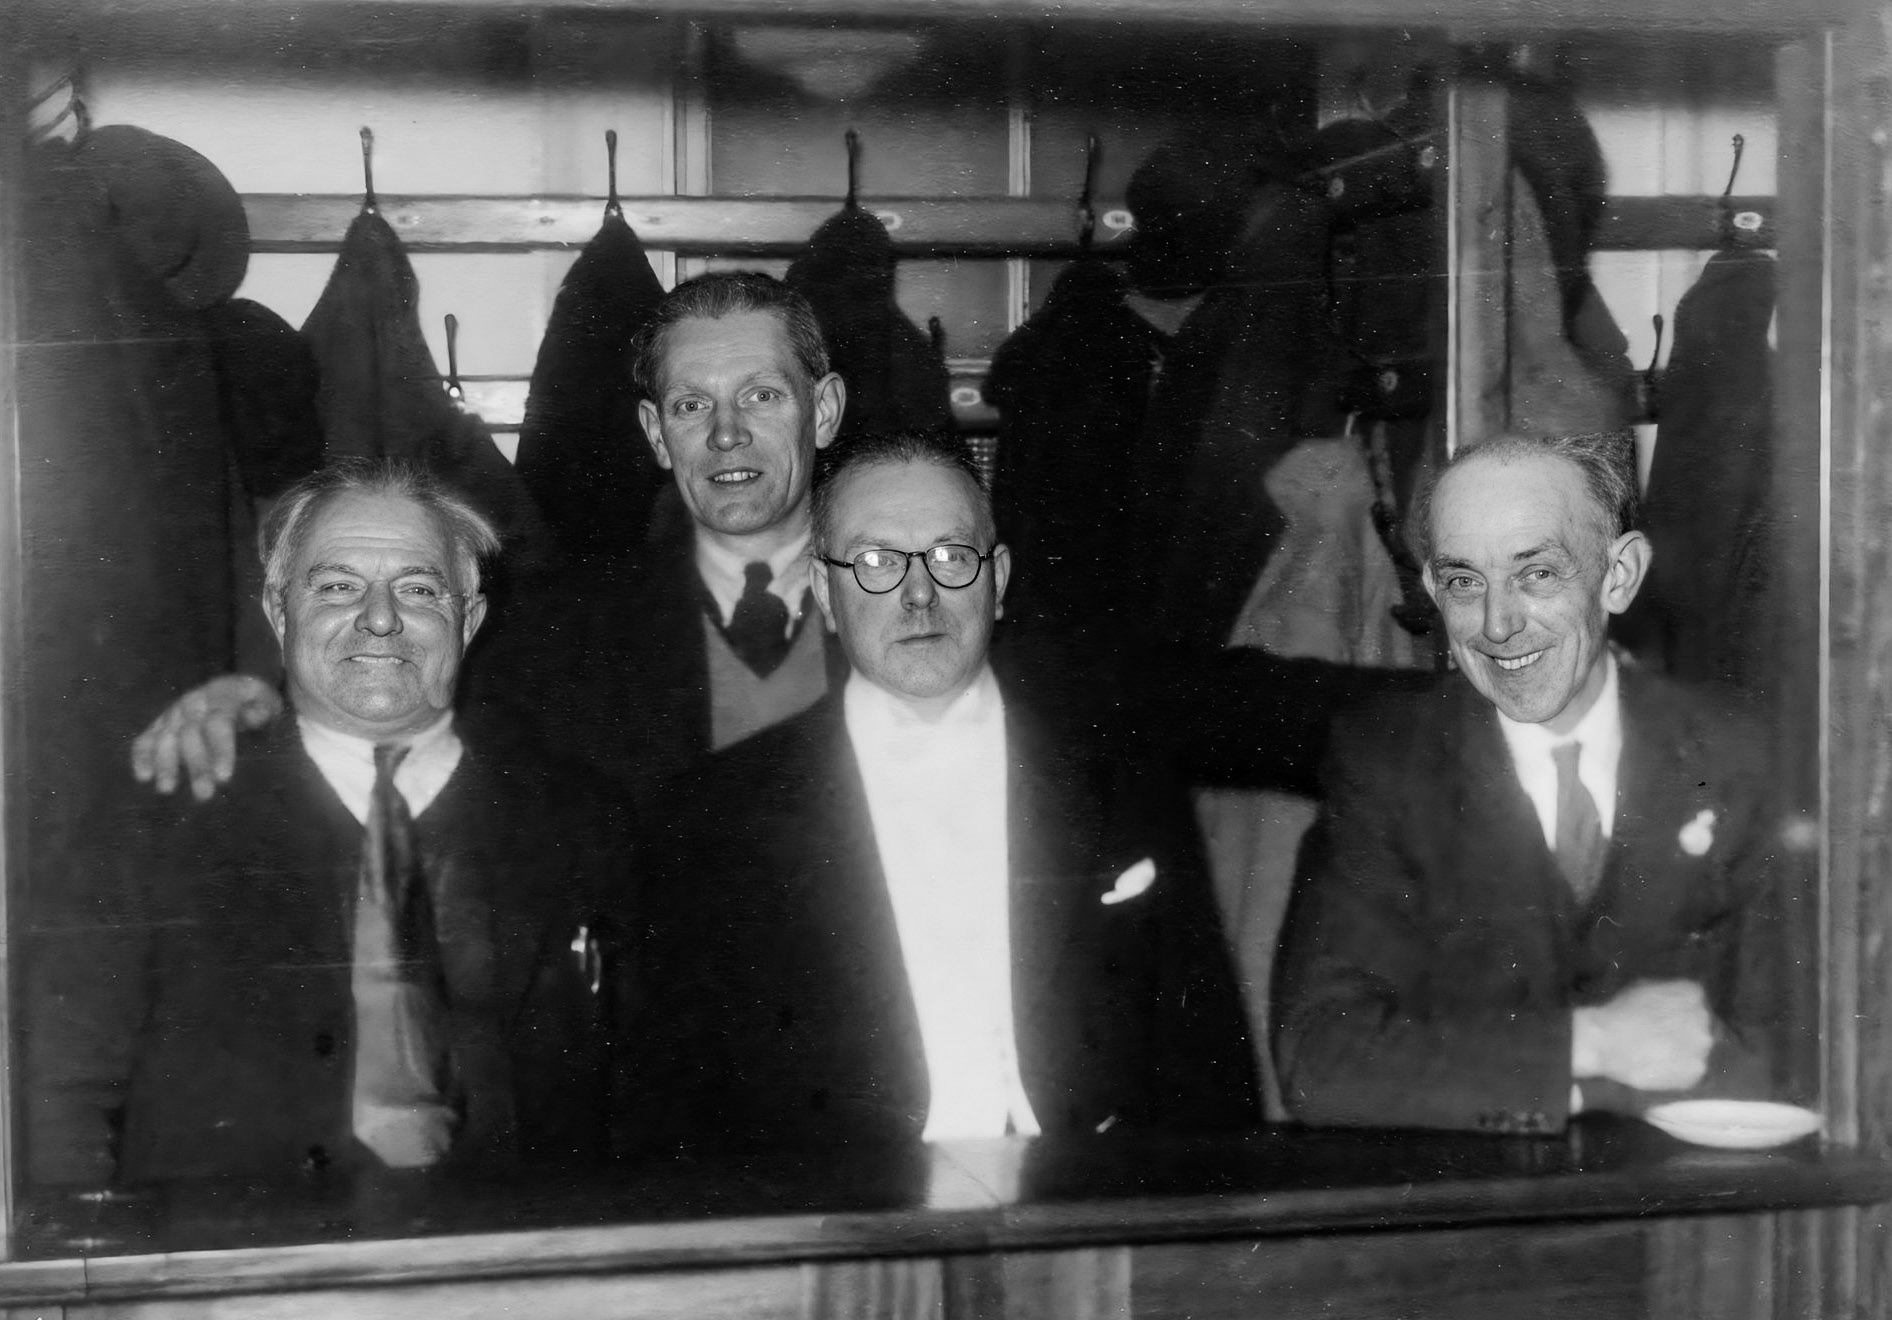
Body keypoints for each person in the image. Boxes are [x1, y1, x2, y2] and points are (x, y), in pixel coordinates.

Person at [615, 431, 1257, 1155]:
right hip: (845, 1224)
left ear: (1000, 579)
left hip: (1083, 1209)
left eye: (952, 558)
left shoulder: (1120, 777)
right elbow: (678, 1110)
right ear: (824, 591)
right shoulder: (713, 816)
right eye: (876, 562)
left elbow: (1209, 1065)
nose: (919, 594)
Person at [28, 460, 616, 1185]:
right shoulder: (150, 826)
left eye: (419, 588)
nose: (379, 618)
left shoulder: (583, 824)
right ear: (279, 612)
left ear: (470, 620)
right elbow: (59, 1096)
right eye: (337, 586)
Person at [130, 271, 848, 816]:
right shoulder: (544, 633)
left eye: (761, 395)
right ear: (658, 434)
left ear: (823, 410)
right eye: (693, 405)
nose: (726, 433)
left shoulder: (931, 607)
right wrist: (250, 708)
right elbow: (389, 723)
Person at [1271, 430, 1784, 1134]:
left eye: (1536, 574)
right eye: (1463, 582)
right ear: (1430, 590)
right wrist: (1591, 1042)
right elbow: (1322, 1063)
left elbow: (1805, 1050)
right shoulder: (1389, 765)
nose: (1497, 623)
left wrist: (1474, 1069)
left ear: (1620, 575)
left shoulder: (1738, 757)